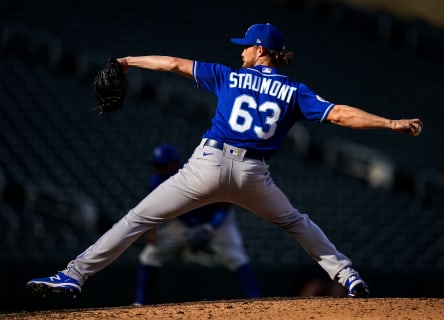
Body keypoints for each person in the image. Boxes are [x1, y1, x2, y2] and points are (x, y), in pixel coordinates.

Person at [27, 23, 423, 299]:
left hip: (208, 167)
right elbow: (340, 114)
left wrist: (129, 61)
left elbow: (174, 64)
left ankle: (73, 276)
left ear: (261, 50)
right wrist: (390, 123)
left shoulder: (229, 76)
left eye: (247, 45)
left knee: (137, 220)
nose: (242, 50)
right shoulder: (295, 91)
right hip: (253, 175)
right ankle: (348, 275)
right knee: (296, 223)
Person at [133, 144, 262, 305]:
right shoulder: (157, 181)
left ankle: (258, 301)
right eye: (155, 165)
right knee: (150, 255)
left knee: (237, 257)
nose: (157, 169)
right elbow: (151, 208)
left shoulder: (197, 175)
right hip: (184, 222)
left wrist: (211, 226)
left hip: (216, 220)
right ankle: (140, 303)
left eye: (161, 165)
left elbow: (227, 201)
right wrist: (150, 231)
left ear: (174, 163)